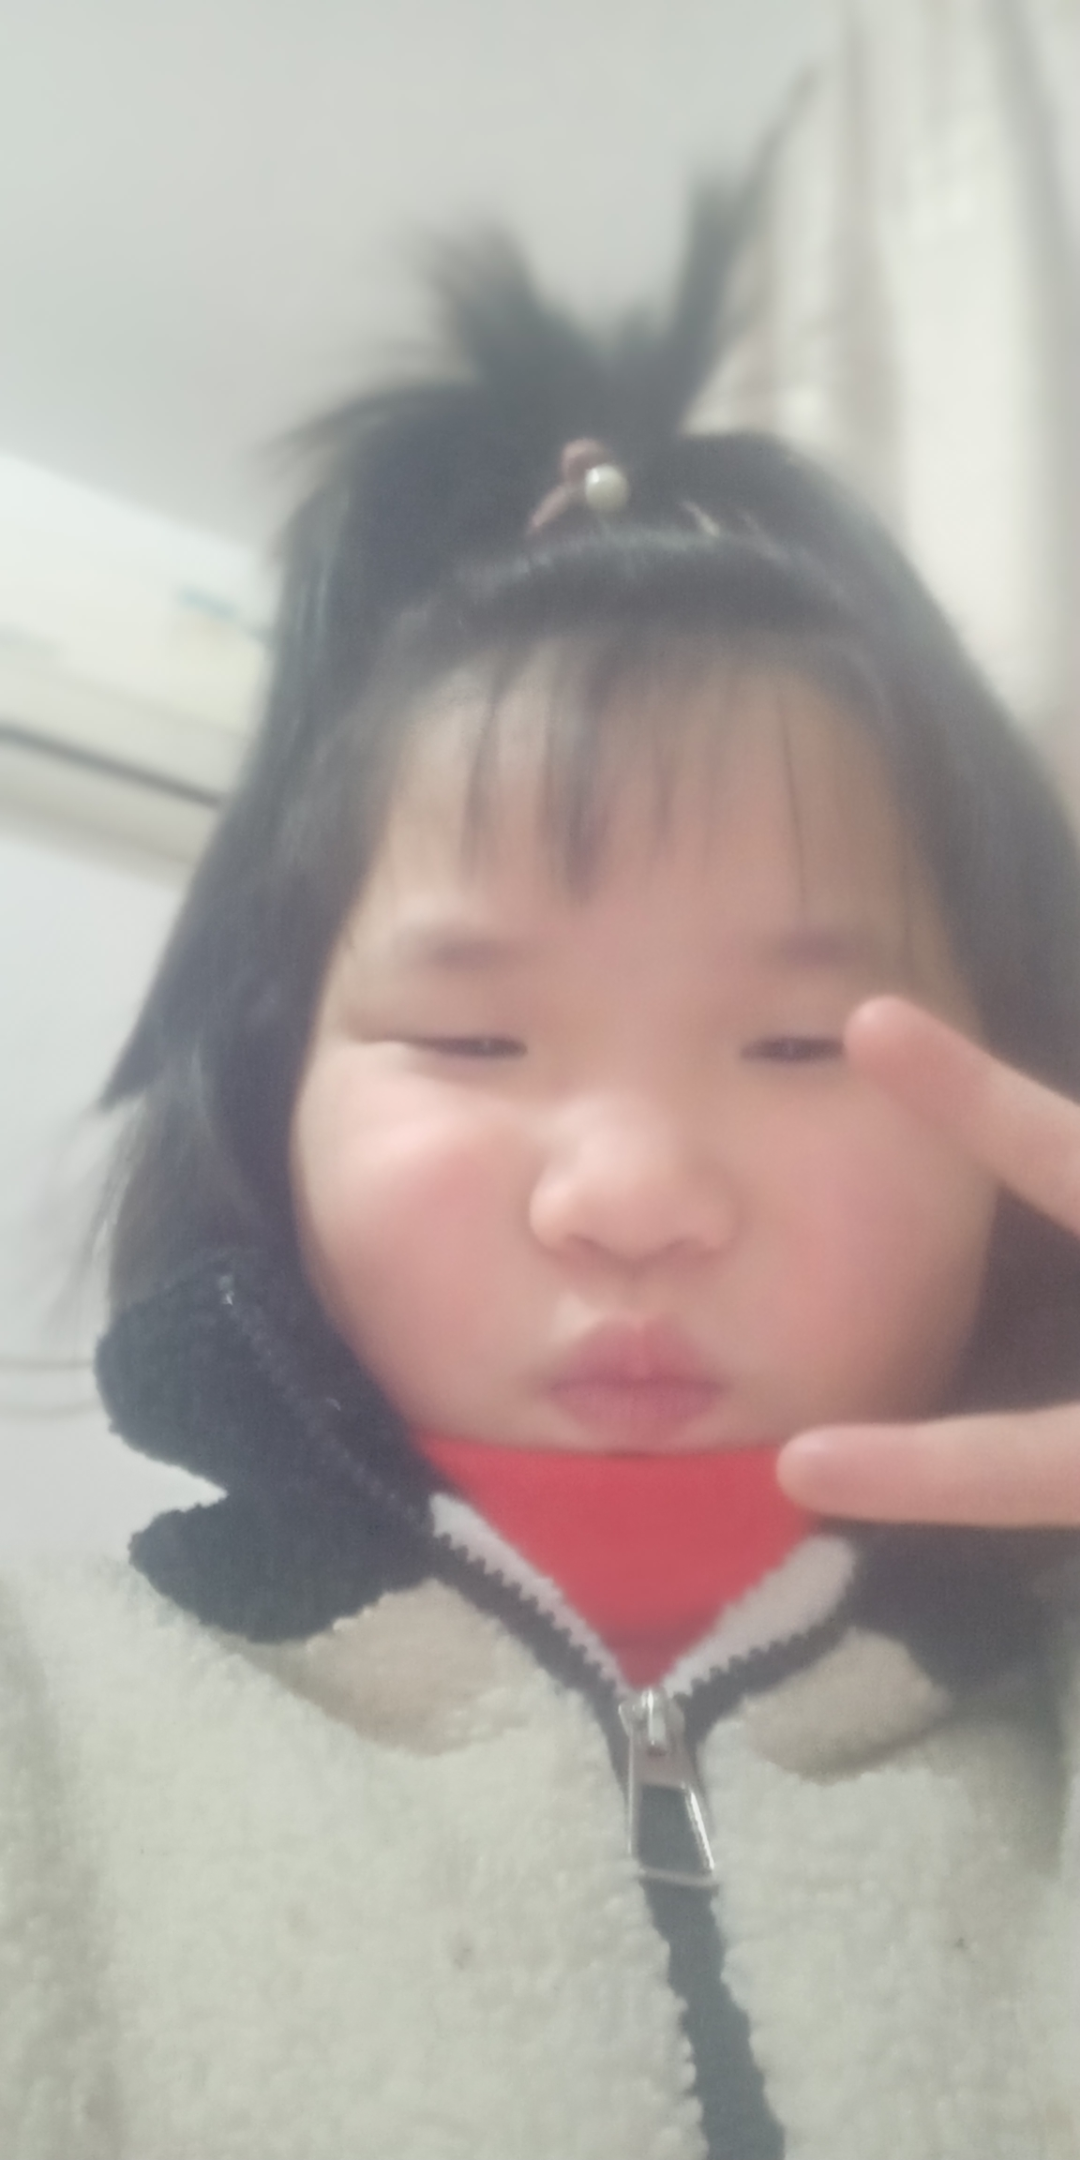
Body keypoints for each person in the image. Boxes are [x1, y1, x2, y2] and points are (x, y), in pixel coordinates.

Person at [4, 201, 1080, 2160]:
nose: (633, 1196)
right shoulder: (38, 1735)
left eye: (803, 1046)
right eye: (474, 1040)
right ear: (273, 1094)